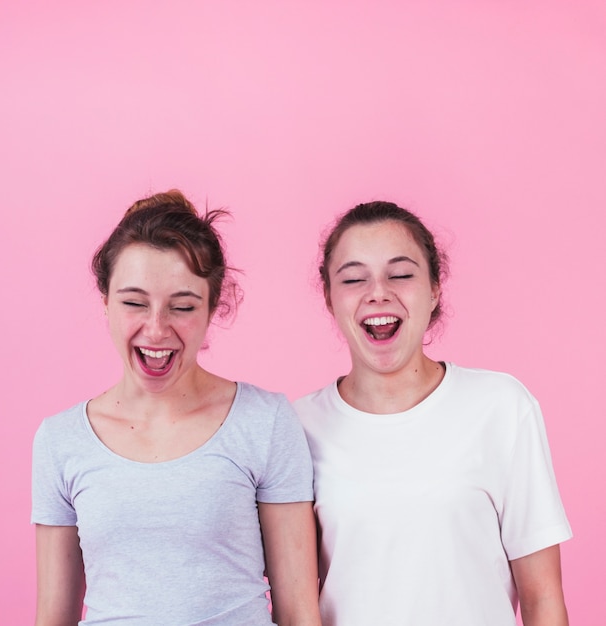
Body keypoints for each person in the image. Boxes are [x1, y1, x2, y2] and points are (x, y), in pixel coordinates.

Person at [32, 190, 321, 626]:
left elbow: (299, 610)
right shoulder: (60, 440)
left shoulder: (265, 421)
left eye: (182, 307)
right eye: (133, 303)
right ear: (105, 303)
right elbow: (53, 616)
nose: (156, 328)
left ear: (212, 309)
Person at [294, 201, 572, 626]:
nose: (378, 292)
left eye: (401, 274)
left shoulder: (500, 407)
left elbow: (543, 599)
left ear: (434, 289)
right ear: (330, 298)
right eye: (353, 279)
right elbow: (294, 603)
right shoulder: (298, 428)